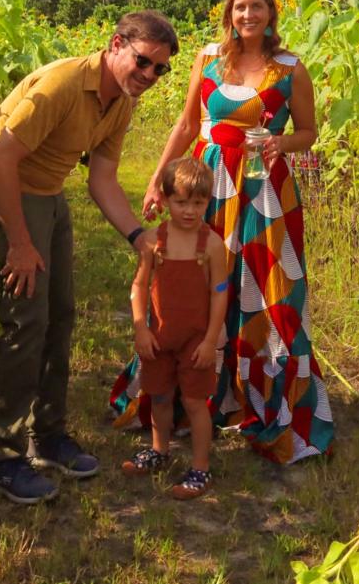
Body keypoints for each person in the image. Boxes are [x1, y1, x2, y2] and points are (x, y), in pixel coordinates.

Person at [109, 0, 335, 464]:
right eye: (239, 8)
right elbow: (188, 124)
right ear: (229, 13)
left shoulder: (291, 68)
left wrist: (283, 142)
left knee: (267, 291)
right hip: (208, 188)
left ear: (271, 13)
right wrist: (156, 180)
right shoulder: (210, 57)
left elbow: (310, 132)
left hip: (264, 194)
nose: (247, 16)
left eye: (256, 7)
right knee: (192, 284)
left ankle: (262, 401)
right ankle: (192, 392)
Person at [0, 10, 177, 504]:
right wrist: (19, 243)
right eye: (143, 62)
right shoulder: (62, 83)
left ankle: (47, 436)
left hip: (47, 192)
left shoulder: (120, 103)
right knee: (28, 319)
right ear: (116, 45)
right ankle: (1, 456)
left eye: (159, 69)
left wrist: (137, 236)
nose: (148, 76)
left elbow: (102, 179)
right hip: (2, 187)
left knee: (60, 315)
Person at [120, 157, 228, 499]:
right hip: (159, 337)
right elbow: (139, 286)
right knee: (161, 395)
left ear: (208, 202)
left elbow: (220, 294)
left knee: (196, 403)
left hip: (196, 341)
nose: (189, 211)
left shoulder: (211, 245)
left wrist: (211, 340)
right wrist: (141, 328)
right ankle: (159, 450)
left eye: (198, 203)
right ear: (165, 200)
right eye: (180, 202)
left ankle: (200, 467)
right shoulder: (153, 242)